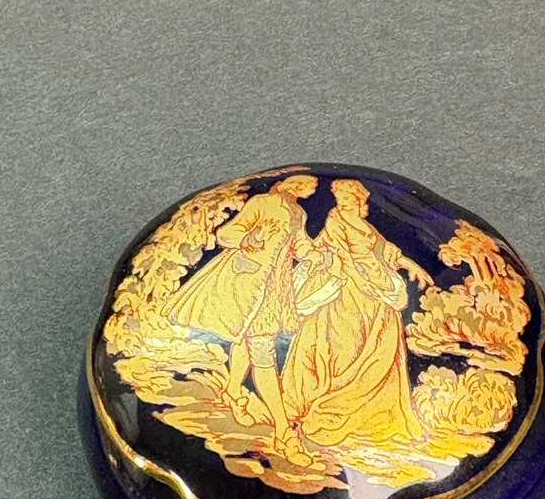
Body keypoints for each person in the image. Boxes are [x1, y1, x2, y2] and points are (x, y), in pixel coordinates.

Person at [165, 174, 325, 466]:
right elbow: (227, 234)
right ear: (292, 184)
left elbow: (299, 245)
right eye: (307, 184)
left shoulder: (298, 213)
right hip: (247, 281)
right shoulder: (263, 202)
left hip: (274, 287)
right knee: (263, 354)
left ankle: (232, 391)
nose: (312, 188)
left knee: (247, 339)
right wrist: (248, 239)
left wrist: (314, 256)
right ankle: (283, 433)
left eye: (312, 186)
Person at [283, 179, 433, 449]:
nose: (342, 203)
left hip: (375, 288)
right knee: (344, 344)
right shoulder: (336, 220)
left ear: (358, 200)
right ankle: (329, 406)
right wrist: (363, 283)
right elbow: (344, 258)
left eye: (347, 199)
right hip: (347, 290)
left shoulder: (364, 225)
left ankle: (369, 413)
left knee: (381, 344)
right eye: (340, 198)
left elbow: (384, 250)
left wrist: (411, 265)